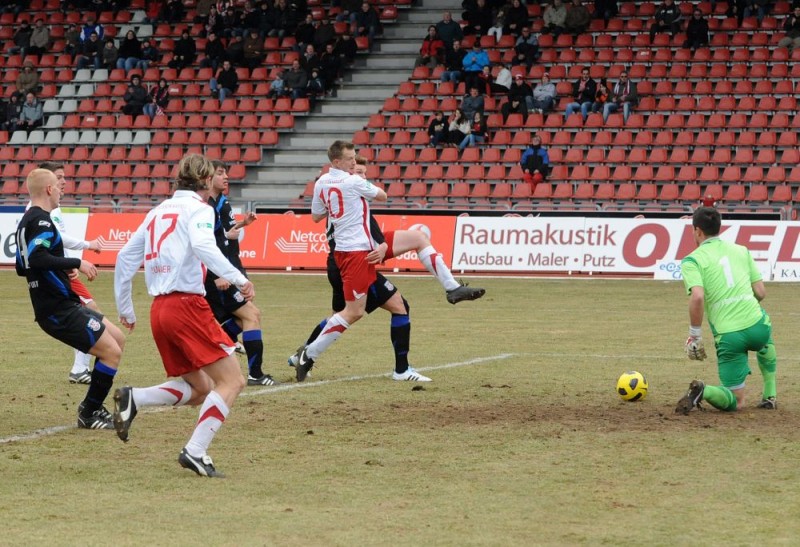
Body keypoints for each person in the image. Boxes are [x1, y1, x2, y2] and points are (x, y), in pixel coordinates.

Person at [113, 154, 256, 478]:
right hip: (186, 305)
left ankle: (135, 398)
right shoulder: (200, 209)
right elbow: (205, 247)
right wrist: (239, 278)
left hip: (160, 310)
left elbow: (124, 258)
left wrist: (125, 308)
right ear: (205, 180)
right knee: (232, 381)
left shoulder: (157, 211)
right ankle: (195, 451)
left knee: (200, 388)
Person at [288, 155, 432, 383]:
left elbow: (322, 216)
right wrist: (381, 246)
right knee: (364, 311)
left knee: (344, 315)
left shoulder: (338, 198)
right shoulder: (352, 198)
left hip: (340, 263)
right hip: (352, 262)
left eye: (365, 174)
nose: (363, 178)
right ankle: (309, 354)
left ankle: (302, 355)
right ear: (347, 174)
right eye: (359, 173)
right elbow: (371, 228)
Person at [16, 168, 125, 430]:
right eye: (58, 185)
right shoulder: (41, 221)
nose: (61, 190)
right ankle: (90, 411)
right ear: (49, 189)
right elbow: (37, 259)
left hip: (63, 303)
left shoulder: (28, 221)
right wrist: (77, 262)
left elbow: (22, 266)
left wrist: (60, 269)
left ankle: (93, 404)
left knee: (117, 338)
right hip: (56, 308)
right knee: (111, 352)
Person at [289, 141, 387, 382]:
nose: (354, 162)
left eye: (354, 158)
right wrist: (360, 185)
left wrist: (336, 205)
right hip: (356, 251)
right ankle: (309, 353)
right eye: (350, 159)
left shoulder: (321, 182)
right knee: (354, 312)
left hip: (340, 251)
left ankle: (307, 353)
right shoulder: (353, 181)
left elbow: (315, 216)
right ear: (336, 162)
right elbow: (383, 196)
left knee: (350, 310)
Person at [675, 207, 778, 415]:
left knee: (736, 401)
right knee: (764, 329)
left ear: (697, 230)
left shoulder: (692, 260)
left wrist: (695, 335)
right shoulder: (741, 250)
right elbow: (760, 292)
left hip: (729, 337)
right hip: (757, 327)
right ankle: (770, 394)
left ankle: (704, 391)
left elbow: (697, 296)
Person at [31, 162, 105, 384]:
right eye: (59, 177)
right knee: (90, 314)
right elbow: (56, 239)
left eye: (64, 177)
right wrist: (86, 247)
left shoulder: (52, 207)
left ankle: (80, 367)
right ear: (47, 182)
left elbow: (56, 240)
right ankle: (80, 368)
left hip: (61, 269)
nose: (64, 181)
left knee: (89, 313)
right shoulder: (41, 211)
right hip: (56, 273)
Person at [204, 160, 277, 386]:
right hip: (217, 273)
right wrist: (218, 274)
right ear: (208, 178)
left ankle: (218, 342)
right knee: (251, 315)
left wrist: (242, 225)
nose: (226, 177)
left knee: (241, 318)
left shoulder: (222, 202)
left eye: (226, 173)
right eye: (220, 173)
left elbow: (222, 236)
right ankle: (255, 374)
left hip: (229, 267)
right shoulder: (205, 205)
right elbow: (205, 244)